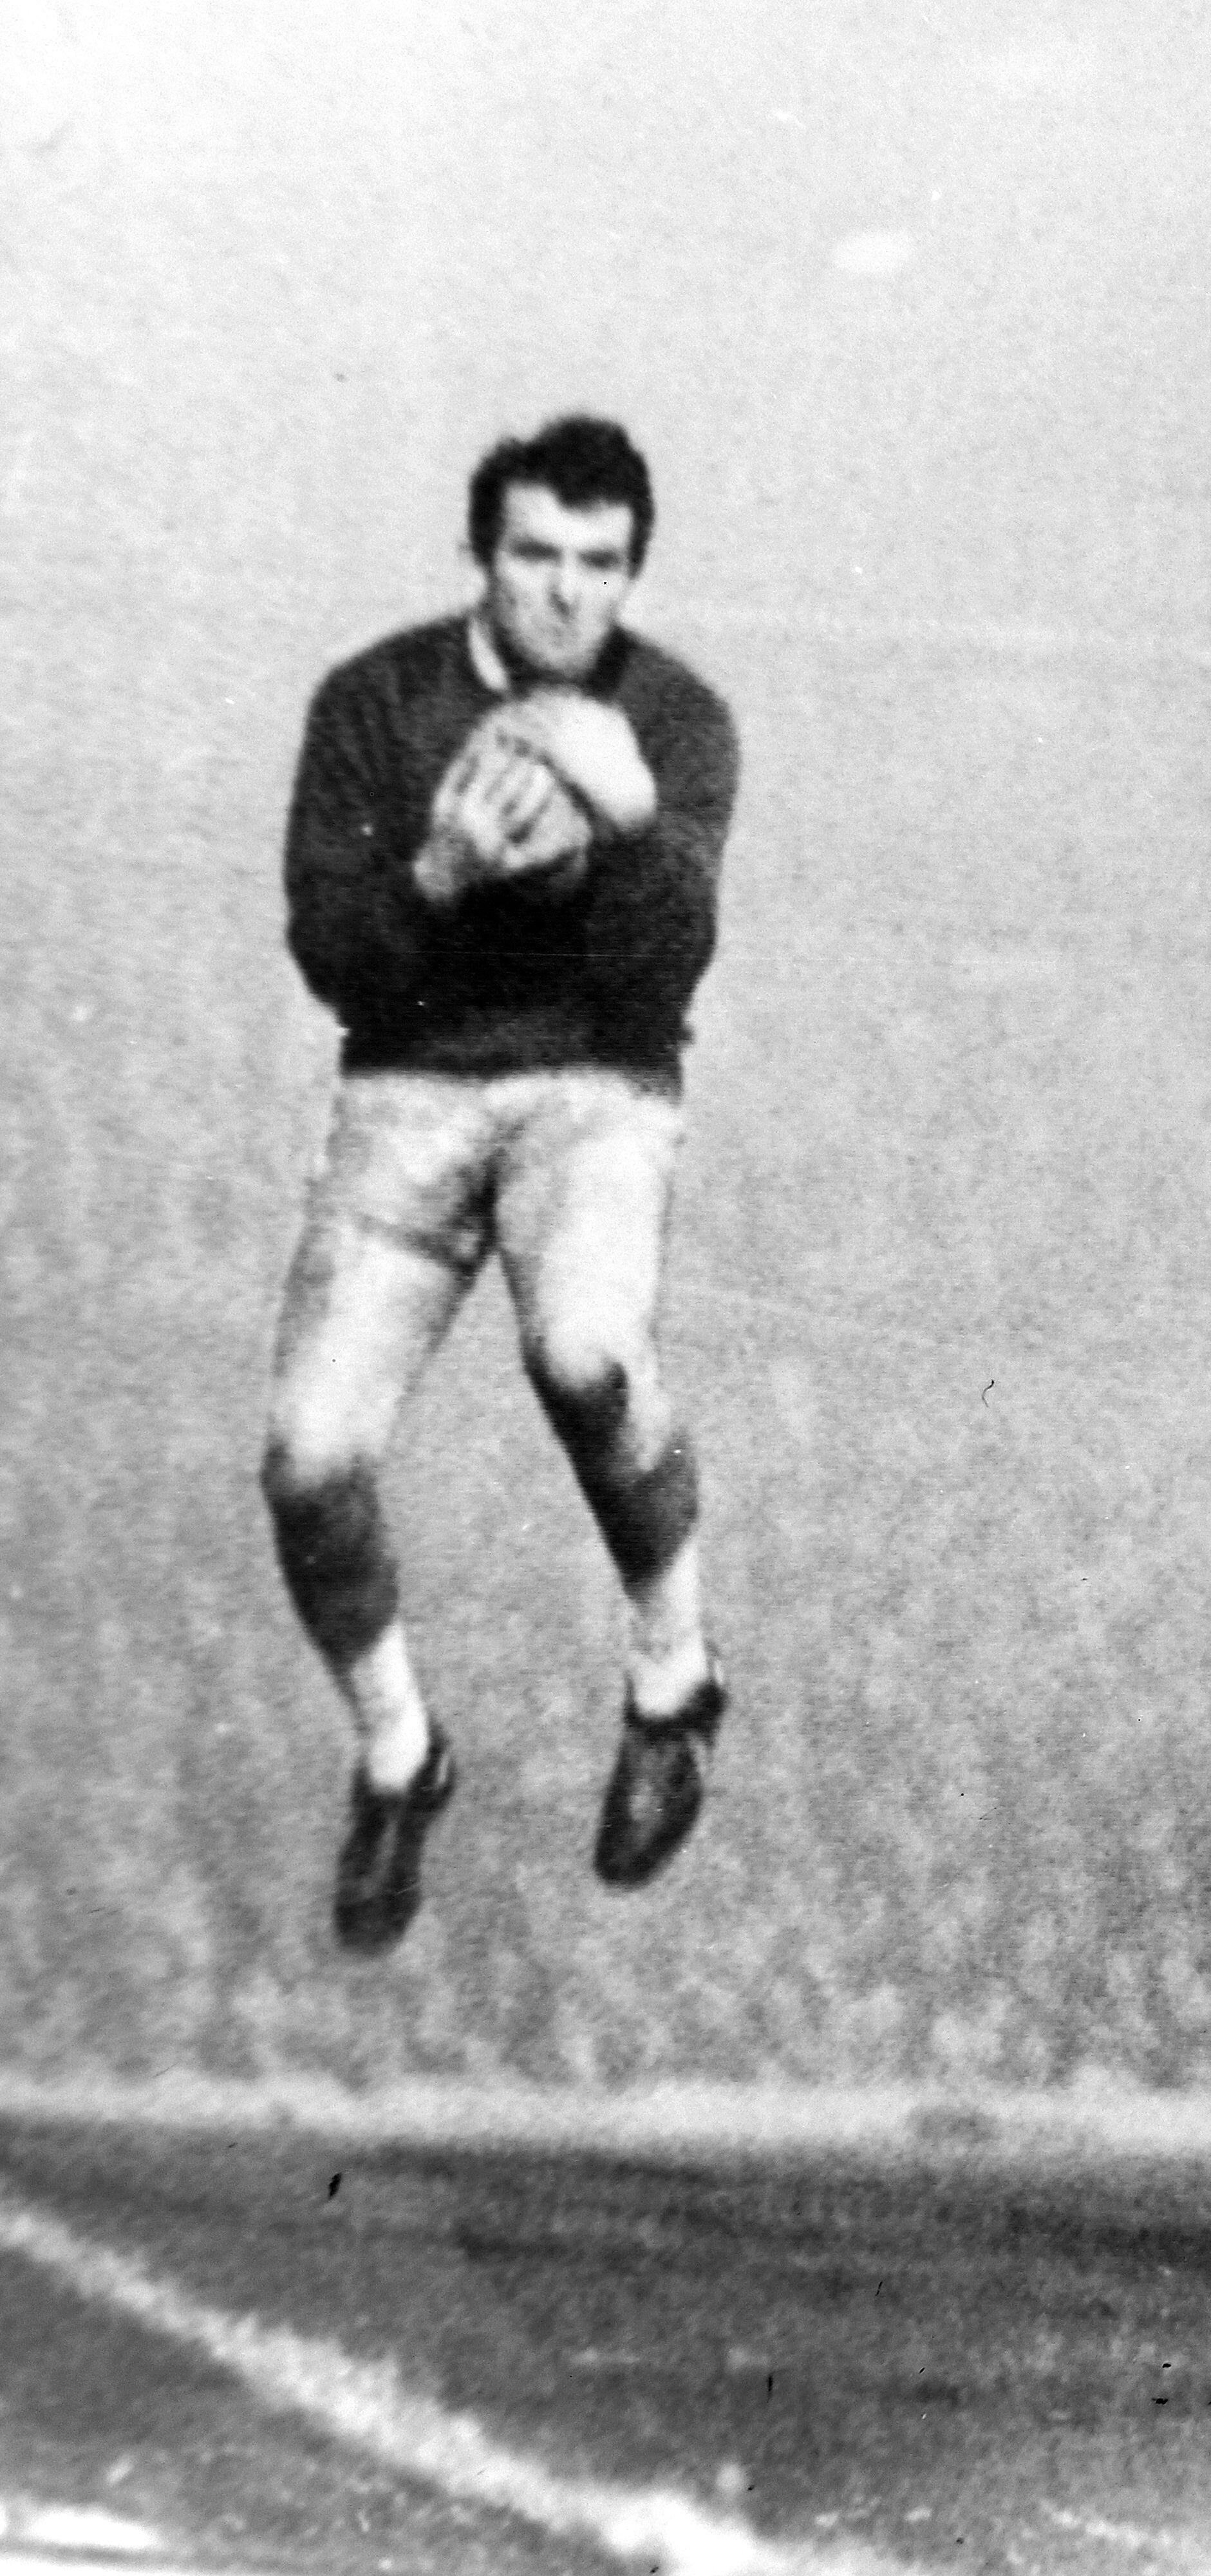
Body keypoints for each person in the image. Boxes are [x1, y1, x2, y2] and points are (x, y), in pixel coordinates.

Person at [263, 415, 742, 1956]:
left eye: (600, 565)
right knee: (308, 1459)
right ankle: (402, 1758)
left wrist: (632, 820)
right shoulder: (375, 700)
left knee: (587, 1352)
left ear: (632, 573)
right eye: (536, 554)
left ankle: (672, 1681)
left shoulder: (673, 720)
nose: (565, 594)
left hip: (593, 1086)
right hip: (407, 1088)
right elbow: (334, 956)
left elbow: (665, 975)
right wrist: (438, 876)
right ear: (483, 554)